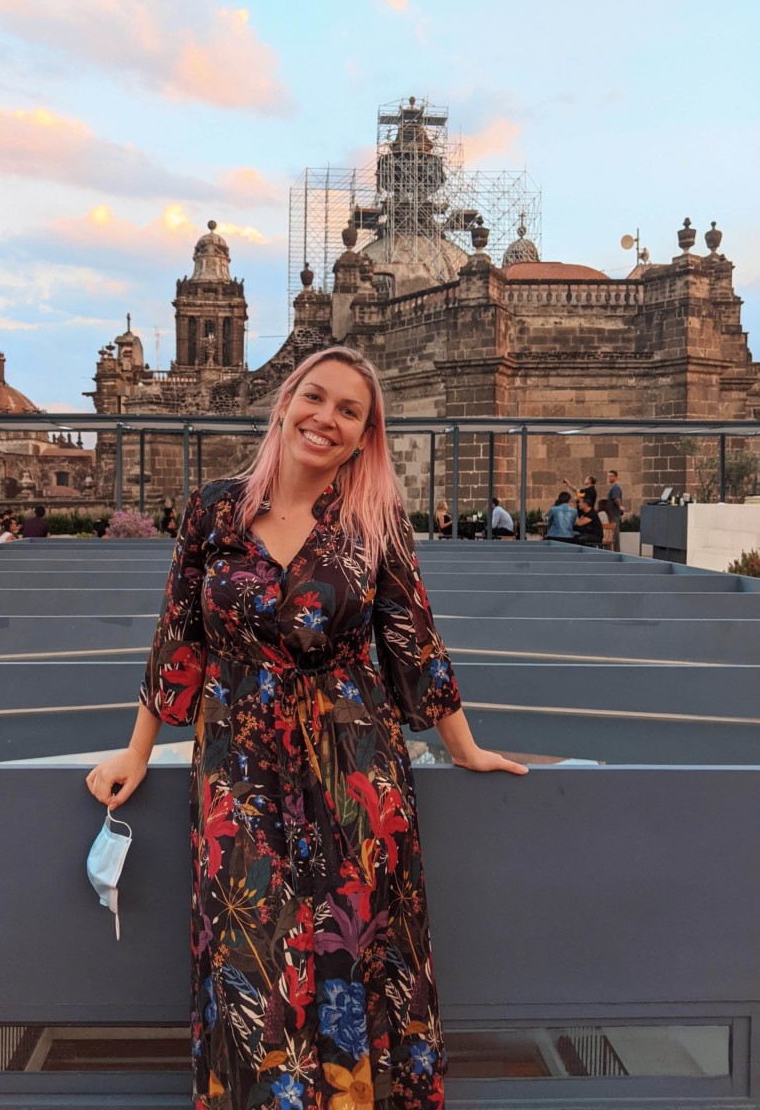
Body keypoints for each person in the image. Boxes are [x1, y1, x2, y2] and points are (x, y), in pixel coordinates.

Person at [86, 346, 527, 1110]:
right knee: (250, 966)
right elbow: (177, 642)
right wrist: (135, 752)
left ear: (364, 437)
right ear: (286, 402)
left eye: (349, 411)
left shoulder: (374, 521)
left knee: (355, 963)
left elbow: (414, 643)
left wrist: (466, 749)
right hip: (238, 774)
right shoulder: (213, 511)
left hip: (356, 774)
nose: (327, 418)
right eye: (315, 399)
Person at [607, 469, 624, 552]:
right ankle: (615, 551)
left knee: (614, 534)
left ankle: (615, 551)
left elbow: (616, 499)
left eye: (611, 476)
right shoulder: (613, 486)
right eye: (608, 476)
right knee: (614, 533)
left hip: (614, 513)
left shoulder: (615, 487)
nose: (609, 478)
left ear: (616, 477)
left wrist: (620, 507)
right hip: (612, 513)